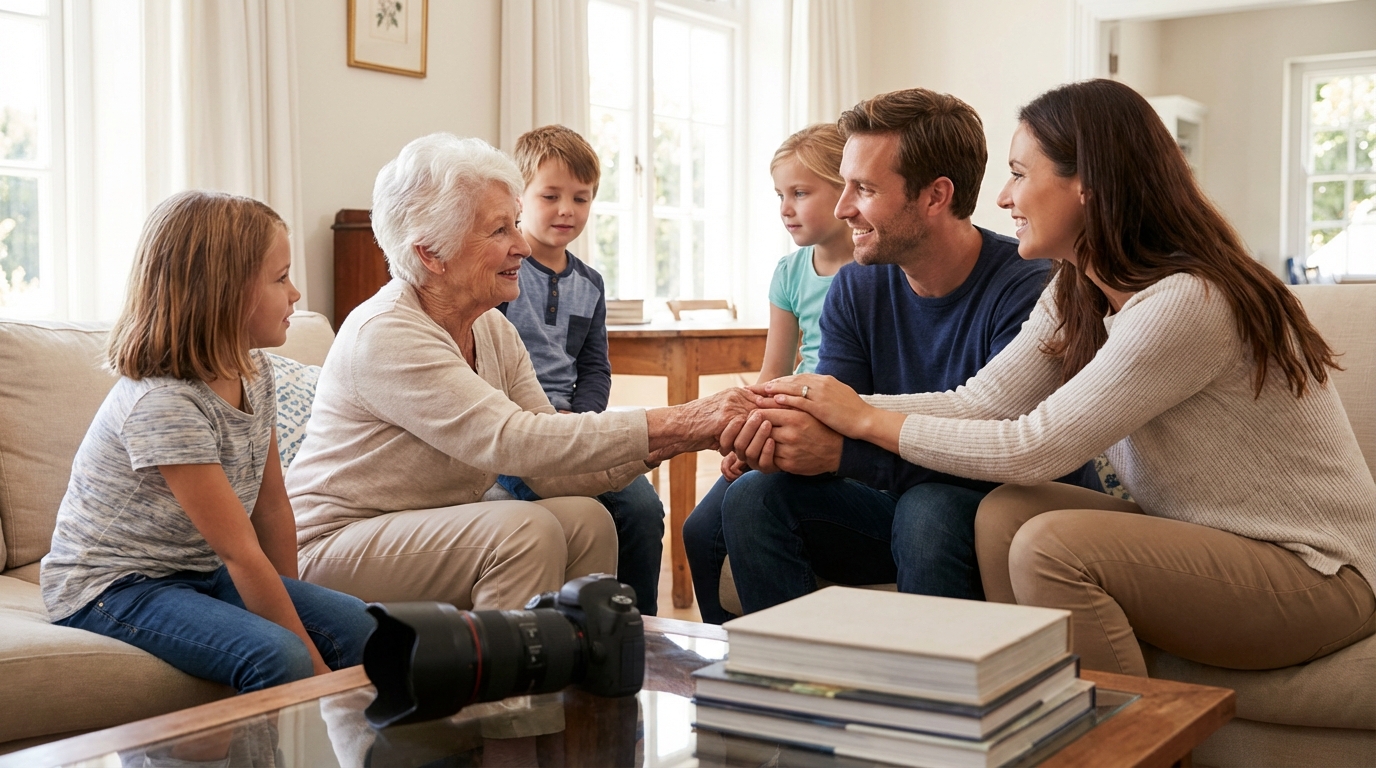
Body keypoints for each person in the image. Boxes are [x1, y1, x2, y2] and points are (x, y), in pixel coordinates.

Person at [744, 79, 1376, 676]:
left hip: (1318, 573)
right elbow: (984, 402)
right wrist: (818, 400)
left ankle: (1122, 743)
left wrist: (862, 418)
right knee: (1002, 516)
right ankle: (1005, 711)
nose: (1002, 197)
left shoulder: (1188, 301)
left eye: (1020, 174)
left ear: (1088, 188)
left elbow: (1034, 444)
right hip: (1204, 539)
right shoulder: (1078, 288)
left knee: (1048, 544)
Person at [286, 133, 754, 611]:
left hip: (430, 524)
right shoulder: (386, 332)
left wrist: (686, 437)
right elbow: (515, 439)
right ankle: (504, 685)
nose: (522, 247)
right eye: (499, 231)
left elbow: (545, 468)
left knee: (586, 519)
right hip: (334, 544)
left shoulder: (490, 326)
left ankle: (586, 682)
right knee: (525, 530)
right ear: (431, 253)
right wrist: (687, 419)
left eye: (515, 224)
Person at [707, 88, 1100, 622]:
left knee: (929, 509)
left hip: (1014, 498)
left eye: (863, 188)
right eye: (844, 185)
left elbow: (1002, 452)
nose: (844, 208)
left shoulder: (1032, 287)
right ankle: (796, 690)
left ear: (935, 196)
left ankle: (938, 700)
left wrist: (843, 452)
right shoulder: (855, 288)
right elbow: (832, 415)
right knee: (755, 495)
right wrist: (783, 438)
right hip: (901, 489)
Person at [40, 190, 375, 693]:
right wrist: (316, 674)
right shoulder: (163, 403)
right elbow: (240, 550)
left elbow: (271, 508)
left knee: (364, 629)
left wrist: (295, 605)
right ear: (225, 292)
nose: (297, 294)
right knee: (280, 657)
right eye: (281, 278)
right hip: (115, 587)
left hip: (198, 569)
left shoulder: (254, 369)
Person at [489, 124, 667, 616]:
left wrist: (583, 419)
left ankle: (639, 631)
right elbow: (488, 363)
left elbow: (594, 369)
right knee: (593, 507)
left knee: (643, 509)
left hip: (576, 427)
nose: (567, 209)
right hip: (520, 430)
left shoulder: (590, 283)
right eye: (551, 195)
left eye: (581, 198)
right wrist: (544, 425)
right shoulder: (502, 270)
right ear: (520, 198)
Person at [683, 122, 855, 622]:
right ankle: (731, 653)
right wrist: (744, 439)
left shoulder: (879, 270)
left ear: (847, 191)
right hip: (781, 415)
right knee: (698, 531)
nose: (785, 208)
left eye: (801, 192)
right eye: (780, 194)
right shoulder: (790, 272)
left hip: (833, 421)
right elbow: (771, 373)